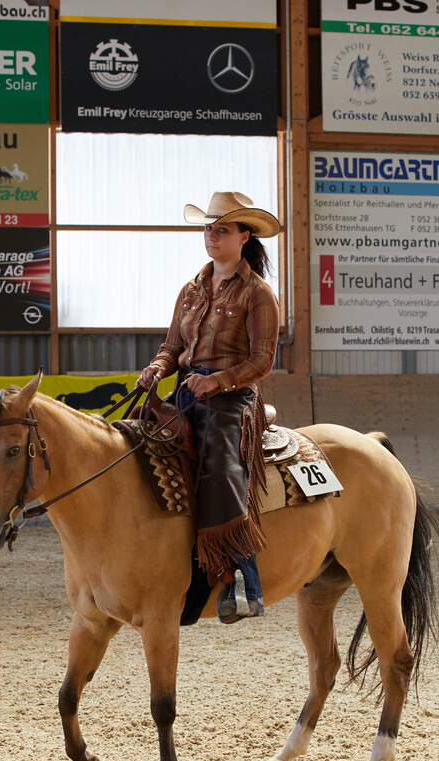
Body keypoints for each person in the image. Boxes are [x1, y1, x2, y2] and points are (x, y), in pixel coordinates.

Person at [137, 191, 280, 623]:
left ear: (244, 237)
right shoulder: (191, 289)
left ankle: (240, 573)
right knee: (136, 438)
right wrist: (157, 367)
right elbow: (171, 347)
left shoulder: (258, 294)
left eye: (222, 229)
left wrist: (217, 380)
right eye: (207, 228)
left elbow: (263, 360)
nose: (211, 236)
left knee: (219, 462)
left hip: (233, 397)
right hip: (186, 388)